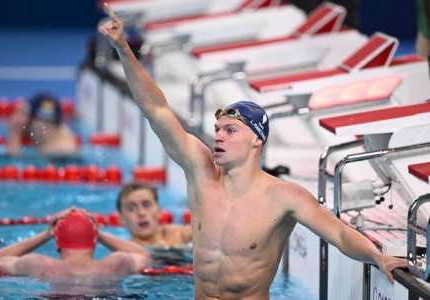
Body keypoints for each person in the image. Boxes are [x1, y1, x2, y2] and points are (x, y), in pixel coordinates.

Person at [99, 4, 407, 299]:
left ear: (257, 140)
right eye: (217, 129)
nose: (218, 137)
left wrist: (378, 258)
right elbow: (155, 108)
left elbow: (339, 235)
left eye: (230, 131)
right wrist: (124, 50)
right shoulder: (200, 170)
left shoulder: (284, 197)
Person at [0, 208, 150, 295]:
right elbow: (144, 255)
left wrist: (46, 234)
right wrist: (98, 233)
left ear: (57, 240)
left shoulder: (38, 264)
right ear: (94, 241)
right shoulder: (117, 263)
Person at [116, 181, 192, 247]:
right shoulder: (125, 252)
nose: (141, 213)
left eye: (147, 205)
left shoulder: (179, 234)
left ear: (159, 210)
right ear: (121, 218)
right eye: (131, 208)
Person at [7, 92, 79, 156]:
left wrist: (15, 134)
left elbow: (13, 162)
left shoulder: (55, 151)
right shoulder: (63, 130)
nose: (26, 123)